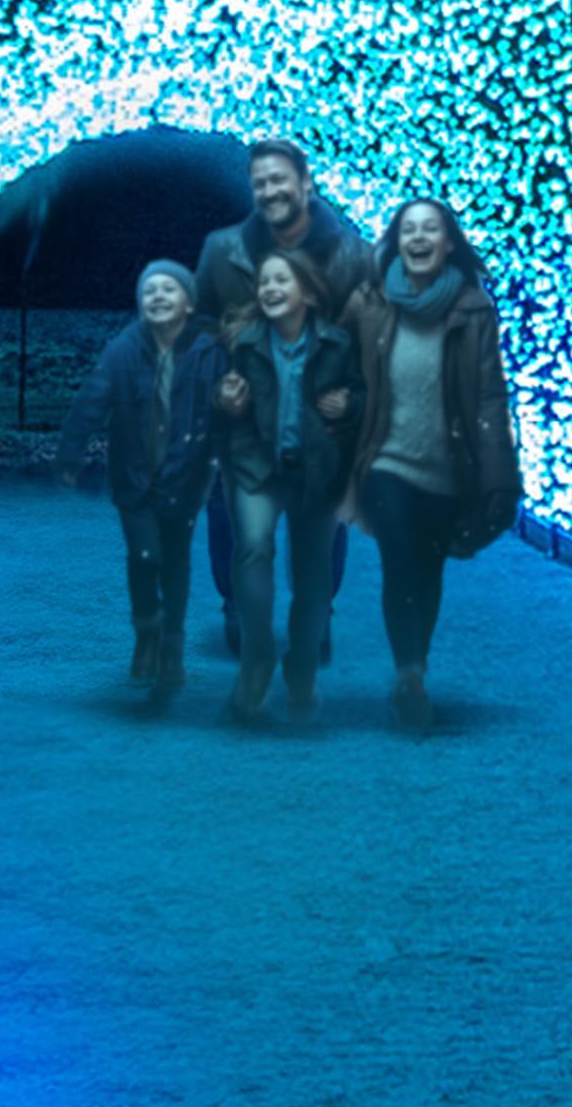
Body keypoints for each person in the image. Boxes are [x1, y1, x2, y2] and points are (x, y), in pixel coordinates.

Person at [347, 196, 520, 722]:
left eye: (430, 229)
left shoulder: (473, 310)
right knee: (400, 558)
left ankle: (415, 664)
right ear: (396, 242)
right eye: (409, 229)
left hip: (447, 464)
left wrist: (500, 474)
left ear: (448, 243)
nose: (419, 238)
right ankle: (409, 674)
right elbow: (339, 368)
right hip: (386, 460)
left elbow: (488, 395)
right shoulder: (369, 304)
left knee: (428, 565)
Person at [205, 242, 359, 723]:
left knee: (313, 564)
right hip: (256, 465)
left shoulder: (338, 345)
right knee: (253, 546)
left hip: (316, 465)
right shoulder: (242, 342)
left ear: (307, 292)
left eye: (281, 280)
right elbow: (216, 400)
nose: (270, 289)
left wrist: (350, 406)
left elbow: (369, 397)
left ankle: (303, 665)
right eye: (264, 282)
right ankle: (256, 660)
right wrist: (226, 402)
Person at [82, 260, 219, 709]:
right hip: (134, 480)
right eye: (149, 290)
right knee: (145, 556)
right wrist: (72, 446)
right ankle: (147, 631)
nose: (158, 296)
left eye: (169, 289)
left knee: (175, 560)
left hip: (184, 479)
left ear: (189, 302)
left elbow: (225, 404)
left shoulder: (208, 351)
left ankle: (172, 646)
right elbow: (95, 396)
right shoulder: (124, 350)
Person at [187, 135, 372, 331]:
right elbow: (197, 328)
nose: (269, 193)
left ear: (306, 181)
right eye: (260, 184)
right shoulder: (220, 251)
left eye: (278, 180)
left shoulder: (359, 258)